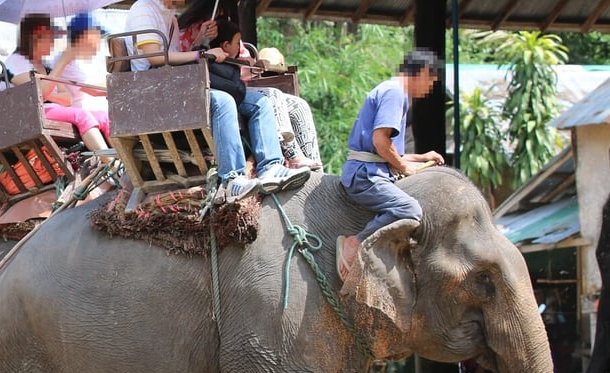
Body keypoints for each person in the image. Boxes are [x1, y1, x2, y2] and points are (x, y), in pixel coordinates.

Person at [124, 0, 308, 202]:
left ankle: (271, 167)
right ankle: (232, 178)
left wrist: (200, 40)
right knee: (224, 101)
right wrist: (202, 53)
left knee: (261, 102)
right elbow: (155, 59)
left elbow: (175, 60)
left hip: (176, 82)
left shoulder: (170, 16)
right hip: (157, 90)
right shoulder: (144, 9)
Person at [336, 48, 445, 280]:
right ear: (424, 72)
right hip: (367, 176)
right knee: (410, 209)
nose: (428, 91)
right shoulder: (396, 93)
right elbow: (380, 142)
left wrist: (422, 157)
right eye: (431, 83)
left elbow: (387, 150)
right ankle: (356, 243)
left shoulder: (390, 90)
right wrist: (404, 167)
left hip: (371, 168)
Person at [207, 20, 322, 170]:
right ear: (225, 45)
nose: (239, 46)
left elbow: (243, 69)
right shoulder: (207, 45)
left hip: (243, 88)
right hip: (233, 93)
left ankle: (314, 162)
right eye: (237, 42)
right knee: (271, 95)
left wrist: (254, 66)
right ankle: (290, 153)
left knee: (299, 105)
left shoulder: (236, 48)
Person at [3, 14, 112, 160]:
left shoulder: (45, 66)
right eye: (51, 37)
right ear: (37, 36)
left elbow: (66, 99)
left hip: (50, 109)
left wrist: (48, 92)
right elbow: (40, 94)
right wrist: (61, 63)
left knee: (105, 117)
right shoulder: (16, 62)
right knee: (82, 115)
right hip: (30, 116)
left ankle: (126, 165)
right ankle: (110, 163)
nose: (54, 43)